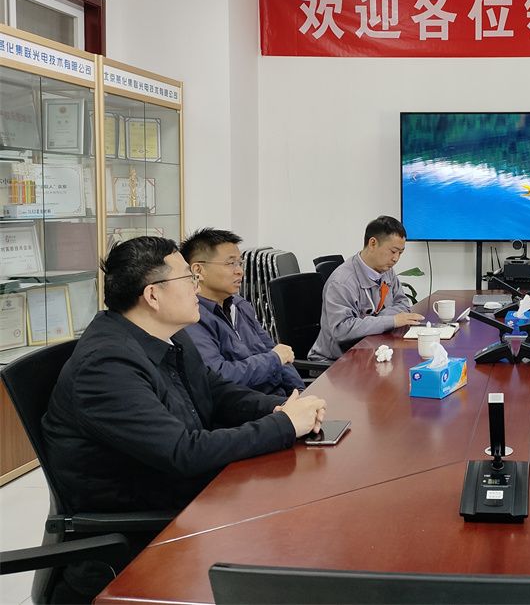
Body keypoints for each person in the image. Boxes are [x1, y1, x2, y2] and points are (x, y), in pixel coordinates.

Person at [42, 237, 327, 599]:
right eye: (188, 279)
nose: (197, 287)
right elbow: (183, 452)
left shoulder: (168, 335)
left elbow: (216, 390)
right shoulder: (106, 366)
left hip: (187, 498)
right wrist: (283, 425)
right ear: (153, 295)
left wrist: (276, 408)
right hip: (144, 534)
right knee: (296, 547)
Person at [180, 228, 304, 396]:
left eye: (240, 263)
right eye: (231, 263)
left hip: (280, 399)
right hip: (248, 405)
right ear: (198, 270)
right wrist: (274, 359)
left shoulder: (240, 306)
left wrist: (300, 392)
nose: (239, 271)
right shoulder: (192, 318)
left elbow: (277, 353)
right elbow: (218, 376)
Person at [309, 215, 423, 360]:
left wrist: (379, 321)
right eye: (393, 251)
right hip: (337, 360)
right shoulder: (342, 281)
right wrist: (391, 321)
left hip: (370, 350)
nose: (396, 258)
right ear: (373, 243)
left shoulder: (386, 271)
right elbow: (341, 329)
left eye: (400, 253)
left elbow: (403, 304)